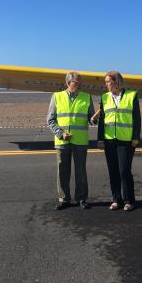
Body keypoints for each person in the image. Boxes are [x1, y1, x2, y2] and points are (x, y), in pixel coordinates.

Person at [47, 72, 95, 210]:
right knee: (62, 171)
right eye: (76, 82)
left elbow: (90, 119)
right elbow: (50, 120)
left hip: (80, 141)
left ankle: (81, 198)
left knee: (81, 171)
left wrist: (94, 119)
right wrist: (60, 134)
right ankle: (64, 199)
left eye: (80, 82)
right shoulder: (57, 96)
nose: (79, 85)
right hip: (62, 142)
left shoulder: (86, 97)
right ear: (68, 83)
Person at [98, 71, 141, 211]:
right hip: (110, 140)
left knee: (124, 170)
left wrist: (135, 137)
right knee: (113, 171)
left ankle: (129, 200)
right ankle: (116, 199)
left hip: (126, 140)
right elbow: (102, 121)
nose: (106, 84)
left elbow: (136, 118)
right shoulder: (104, 97)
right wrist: (100, 139)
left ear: (116, 82)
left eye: (108, 81)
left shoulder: (131, 96)